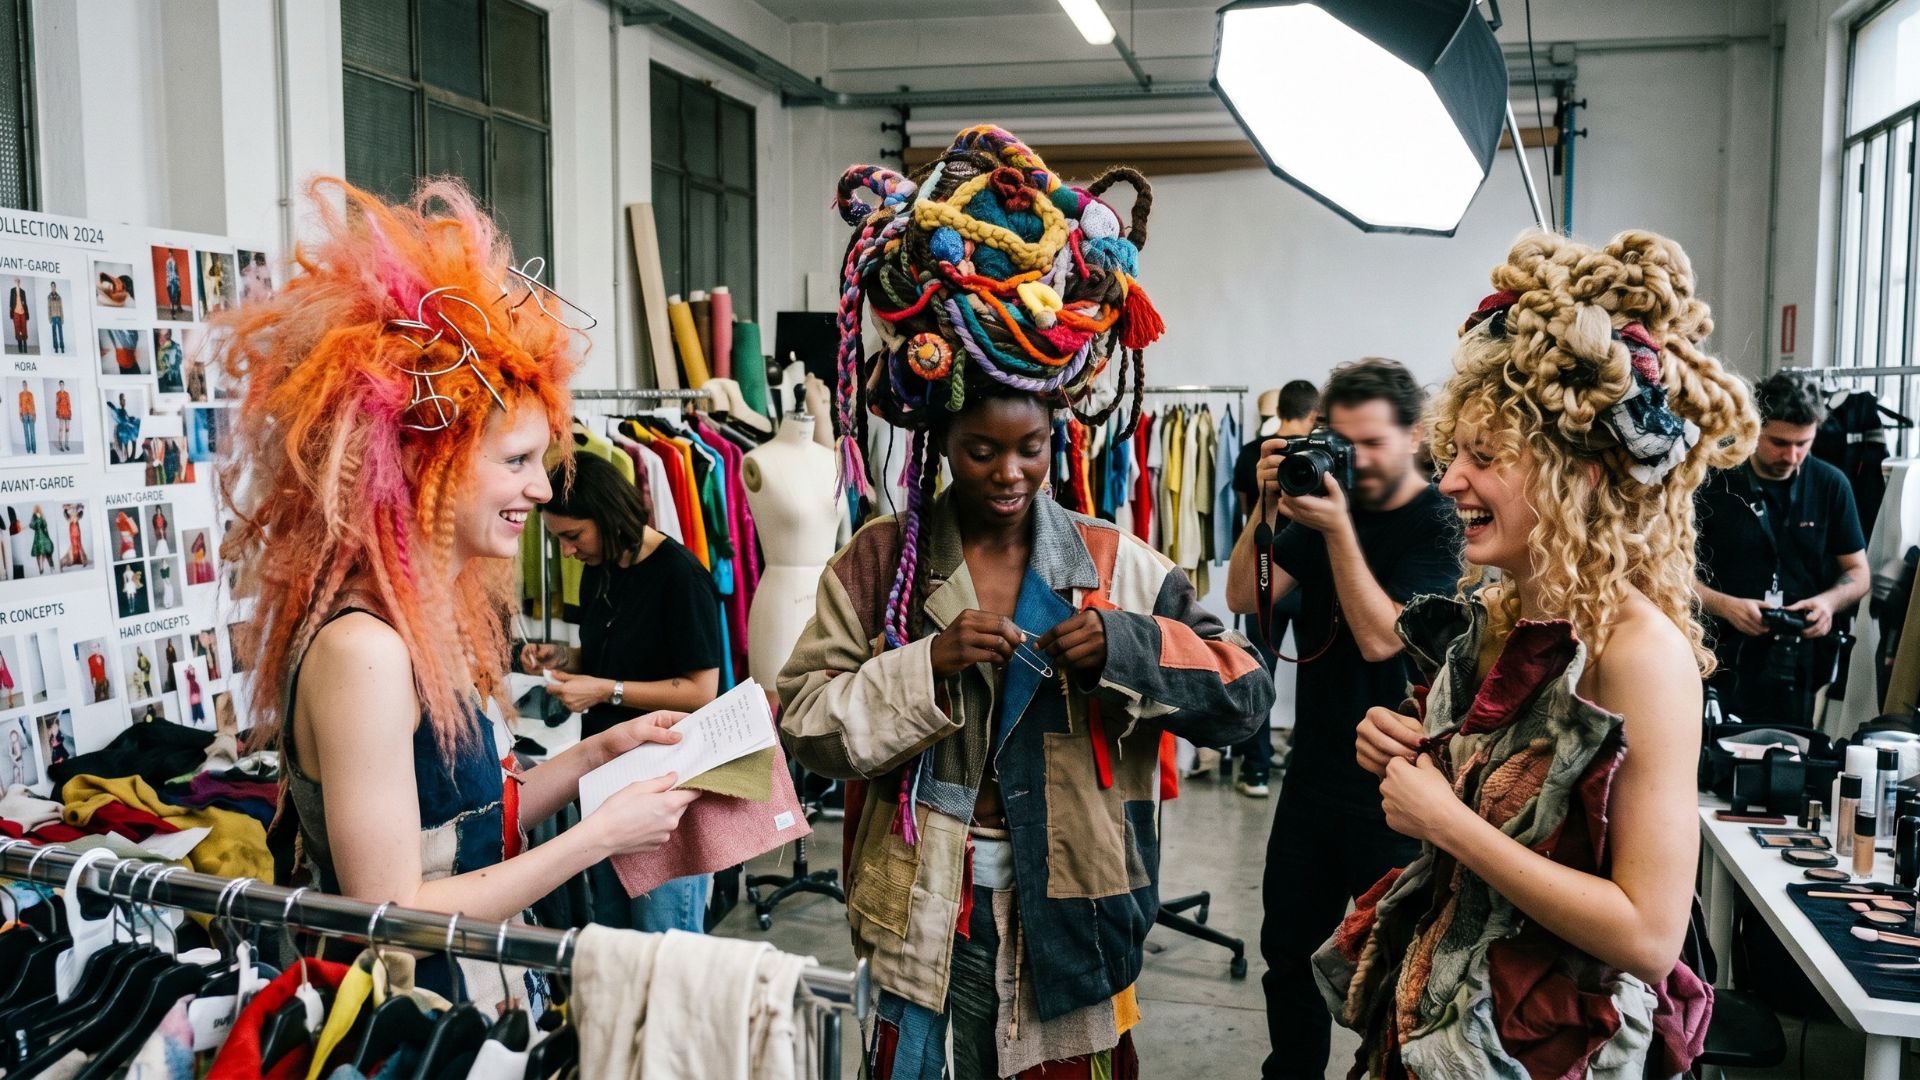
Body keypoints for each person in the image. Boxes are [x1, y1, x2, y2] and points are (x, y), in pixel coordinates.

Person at [780, 127, 1274, 1079]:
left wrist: (1129, 649)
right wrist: (923, 667)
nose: (1009, 473)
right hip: (920, 916)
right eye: (981, 451)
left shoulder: (1119, 565)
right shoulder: (880, 563)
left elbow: (1244, 696)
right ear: (939, 442)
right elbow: (803, 721)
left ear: (1056, 438)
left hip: (1075, 918)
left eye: (1030, 449)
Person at [219, 177, 698, 1008]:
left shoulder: (424, 621)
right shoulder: (365, 652)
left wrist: (598, 755)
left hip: (478, 1004)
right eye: (516, 462)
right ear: (419, 464)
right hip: (414, 1027)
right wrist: (597, 837)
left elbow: (467, 824)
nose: (542, 490)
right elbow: (392, 912)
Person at [1319, 230, 1751, 1077]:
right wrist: (1403, 747)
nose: (1450, 481)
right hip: (1446, 1022)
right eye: (1455, 452)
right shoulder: (1500, 617)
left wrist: (1447, 822)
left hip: (1547, 1050)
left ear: (1576, 476)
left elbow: (1649, 935)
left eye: (1484, 458)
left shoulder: (1639, 656)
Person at [1224, 358, 1462, 1080]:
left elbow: (1384, 637)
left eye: (1371, 444)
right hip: (1315, 772)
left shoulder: (1441, 521)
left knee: (1392, 972)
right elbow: (1244, 594)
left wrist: (1335, 531)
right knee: (1288, 954)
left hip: (1399, 788)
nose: (1354, 459)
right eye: (1341, 440)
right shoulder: (1328, 501)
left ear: (1415, 436)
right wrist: (1267, 507)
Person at [523, 452, 724, 934]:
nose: (567, 551)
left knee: (663, 937)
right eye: (559, 539)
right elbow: (614, 655)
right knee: (612, 934)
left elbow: (701, 691)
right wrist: (563, 657)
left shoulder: (680, 576)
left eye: (573, 536)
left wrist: (605, 692)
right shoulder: (603, 566)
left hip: (663, 782)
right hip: (607, 780)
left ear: (609, 515)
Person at [1696, 371, 1869, 728]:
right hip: (1718, 656)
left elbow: (1858, 573)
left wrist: (1827, 604)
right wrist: (1726, 606)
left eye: (1803, 443)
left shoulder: (1831, 484)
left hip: (1798, 662)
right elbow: (1670, 575)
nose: (1792, 456)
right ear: (1753, 428)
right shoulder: (1712, 480)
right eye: (1778, 442)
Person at [1226, 377, 1319, 798]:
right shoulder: (1321, 456)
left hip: (1263, 573)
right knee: (1316, 676)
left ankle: (1256, 770)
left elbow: (1248, 512)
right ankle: (1304, 759)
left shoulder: (1253, 453)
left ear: (1278, 410)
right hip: (1309, 578)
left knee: (1257, 673)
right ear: (1313, 414)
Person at [155, 328, 184, 393]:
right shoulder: (155, 346)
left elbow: (176, 364)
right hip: (159, 384)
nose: (162, 339)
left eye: (166, 336)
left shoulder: (175, 346)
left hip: (174, 385)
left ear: (169, 336)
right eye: (160, 336)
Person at [26, 505, 52, 575]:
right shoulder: (38, 516)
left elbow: (33, 525)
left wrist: (32, 525)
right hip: (41, 535)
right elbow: (44, 525)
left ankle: (41, 567)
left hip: (39, 535)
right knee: (40, 552)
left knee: (40, 552)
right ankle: (41, 567)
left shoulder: (36, 516)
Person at [8, 278, 27, 352]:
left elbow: (25, 303)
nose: (17, 283)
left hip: (22, 312)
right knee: (17, 328)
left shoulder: (23, 291)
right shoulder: (12, 290)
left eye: (18, 282)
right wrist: (11, 311)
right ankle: (20, 346)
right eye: (16, 281)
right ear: (14, 282)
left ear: (19, 282)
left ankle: (25, 345)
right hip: (15, 312)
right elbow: (10, 302)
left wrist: (26, 312)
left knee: (24, 328)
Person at [16, 382, 33, 455]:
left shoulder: (30, 394)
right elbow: (20, 405)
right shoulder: (20, 394)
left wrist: (34, 414)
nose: (24, 386)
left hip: (31, 414)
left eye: (25, 385)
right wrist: (20, 415)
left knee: (32, 433)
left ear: (27, 385)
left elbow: (33, 404)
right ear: (22, 386)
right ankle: (28, 449)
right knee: (26, 433)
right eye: (23, 385)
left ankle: (34, 449)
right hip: (24, 414)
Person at [164, 251, 182, 318]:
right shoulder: (167, 262)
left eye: (171, 255)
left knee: (178, 294)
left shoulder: (174, 261)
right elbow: (167, 272)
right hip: (170, 281)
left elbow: (176, 271)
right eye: (169, 255)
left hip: (174, 280)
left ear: (172, 255)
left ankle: (177, 308)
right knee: (172, 297)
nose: (170, 256)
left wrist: (178, 281)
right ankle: (173, 312)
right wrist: (167, 283)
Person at [46, 283, 62, 354]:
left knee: (60, 333)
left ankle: (62, 347)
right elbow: (49, 308)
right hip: (53, 317)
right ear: (51, 287)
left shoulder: (59, 297)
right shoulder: (49, 297)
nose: (53, 288)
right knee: (54, 334)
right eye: (52, 286)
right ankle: (56, 348)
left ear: (55, 287)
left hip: (59, 316)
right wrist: (49, 318)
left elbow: (61, 308)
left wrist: (62, 317)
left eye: (54, 286)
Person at [53, 380, 69, 453]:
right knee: (61, 429)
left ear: (64, 385)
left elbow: (69, 403)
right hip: (61, 413)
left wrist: (69, 412)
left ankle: (66, 444)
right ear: (59, 385)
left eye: (62, 384)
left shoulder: (67, 394)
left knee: (67, 429)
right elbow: (57, 404)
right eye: (60, 384)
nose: (61, 385)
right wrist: (57, 412)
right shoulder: (58, 394)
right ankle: (60, 445)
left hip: (67, 412)